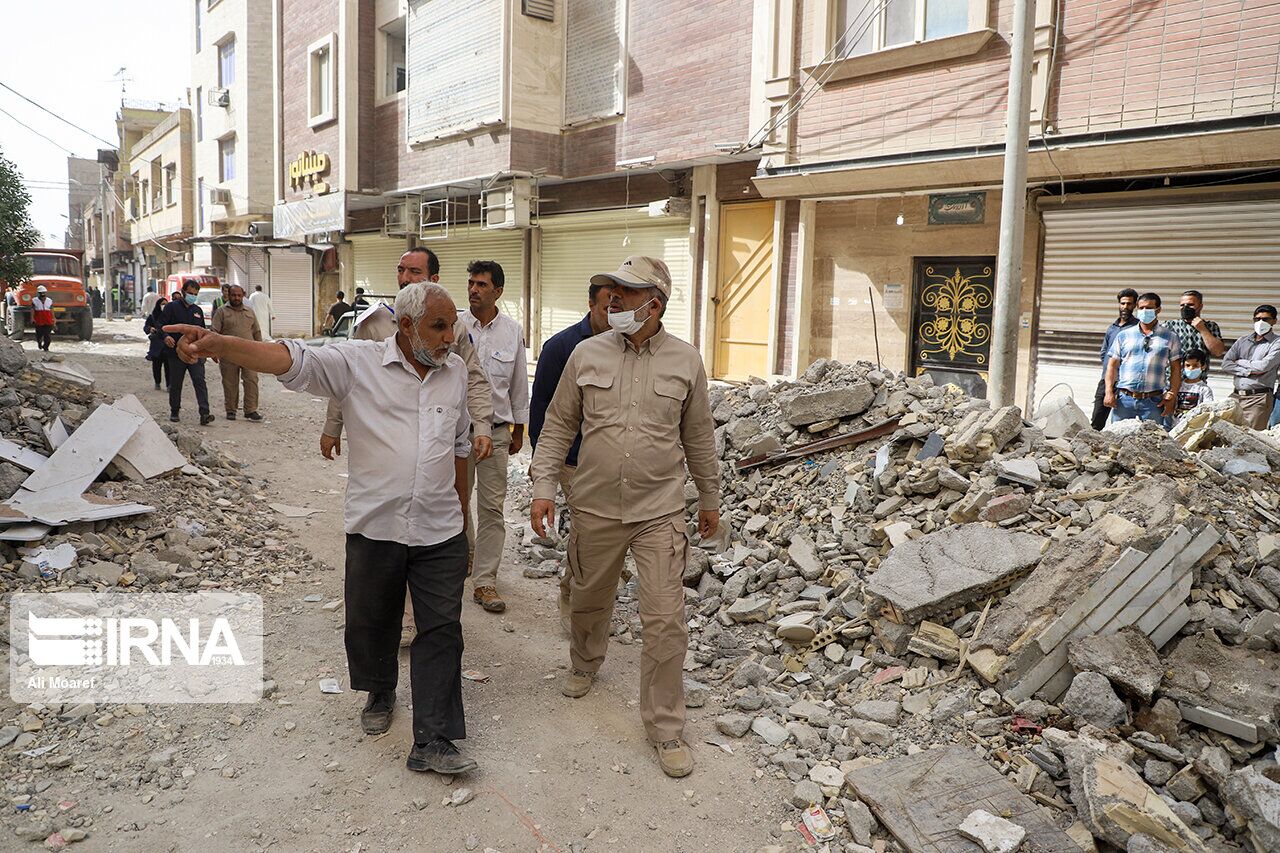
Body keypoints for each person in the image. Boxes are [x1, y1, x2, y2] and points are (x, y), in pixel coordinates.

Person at [164, 282, 479, 775]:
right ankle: (379, 689)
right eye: (439, 327)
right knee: (372, 619)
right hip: (376, 525)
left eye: (451, 326)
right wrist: (221, 345)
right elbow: (291, 359)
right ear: (405, 326)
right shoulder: (357, 363)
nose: (449, 337)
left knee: (442, 630)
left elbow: (460, 446)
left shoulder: (454, 372)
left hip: (440, 529)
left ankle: (434, 738)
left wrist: (463, 520)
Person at [529, 256, 720, 779]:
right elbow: (557, 425)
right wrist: (544, 486)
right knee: (590, 597)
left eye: (626, 292)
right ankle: (585, 662)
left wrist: (709, 497)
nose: (613, 298)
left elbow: (699, 437)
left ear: (654, 302)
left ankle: (664, 726)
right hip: (592, 505)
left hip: (659, 511)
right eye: (610, 289)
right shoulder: (585, 354)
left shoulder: (686, 361)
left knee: (664, 619)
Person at [318, 246, 495, 647]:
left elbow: (473, 379)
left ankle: (418, 621)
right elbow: (341, 378)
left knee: (430, 540)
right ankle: (385, 629)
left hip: (435, 448)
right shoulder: (374, 322)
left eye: (414, 271)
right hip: (384, 464)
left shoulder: (449, 325)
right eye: (400, 269)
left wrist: (481, 425)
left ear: (432, 276)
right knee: (385, 545)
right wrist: (333, 428)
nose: (404, 276)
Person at [529, 279, 614, 631]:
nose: (616, 313)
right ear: (591, 304)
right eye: (609, 305)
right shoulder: (561, 347)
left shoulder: (627, 348)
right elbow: (543, 413)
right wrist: (544, 472)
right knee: (589, 535)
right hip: (573, 462)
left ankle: (585, 591)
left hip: (614, 464)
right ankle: (575, 601)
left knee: (605, 539)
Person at [460, 260, 529, 614]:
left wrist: (520, 428)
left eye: (482, 285)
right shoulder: (454, 325)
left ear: (498, 291)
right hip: (457, 435)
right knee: (456, 505)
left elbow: (518, 384)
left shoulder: (512, 331)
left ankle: (485, 581)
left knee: (491, 509)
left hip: (497, 435)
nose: (473, 289)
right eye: (471, 283)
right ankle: (466, 556)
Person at [1104, 292, 1182, 427]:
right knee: (1117, 441)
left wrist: (1172, 394)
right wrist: (1108, 392)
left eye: (1149, 308)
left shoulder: (1170, 337)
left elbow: (1176, 368)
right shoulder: (1124, 335)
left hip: (1153, 401)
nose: (1144, 311)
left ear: (1158, 310)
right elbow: (1112, 365)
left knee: (1152, 442)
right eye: (1141, 308)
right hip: (1124, 400)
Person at [159, 279, 215, 425]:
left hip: (195, 353)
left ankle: (205, 413)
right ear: (183, 292)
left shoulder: (197, 310)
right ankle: (175, 411)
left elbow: (202, 332)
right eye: (190, 293)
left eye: (195, 294)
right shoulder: (171, 307)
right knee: (176, 383)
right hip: (176, 353)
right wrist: (166, 336)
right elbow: (161, 325)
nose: (192, 296)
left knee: (199, 381)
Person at [1221, 304, 1280, 430]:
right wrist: (1247, 371)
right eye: (1257, 319)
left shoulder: (1276, 342)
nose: (1260, 322)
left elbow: (1263, 366)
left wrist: (1240, 361)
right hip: (1236, 396)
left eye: (1265, 319)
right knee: (1226, 435)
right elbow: (1226, 364)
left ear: (1274, 321)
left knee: (1252, 438)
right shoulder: (1242, 341)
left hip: (1258, 399)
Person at [211, 283, 264, 421]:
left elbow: (257, 332)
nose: (236, 297)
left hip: (249, 353)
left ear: (243, 295)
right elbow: (214, 332)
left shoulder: (250, 312)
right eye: (233, 295)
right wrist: (213, 352)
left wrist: (261, 350)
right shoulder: (221, 312)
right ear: (228, 295)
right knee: (230, 382)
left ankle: (251, 410)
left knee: (251, 380)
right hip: (228, 354)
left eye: (239, 295)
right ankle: (231, 410)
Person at [1090, 289, 1138, 430]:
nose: (1125, 307)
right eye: (1122, 303)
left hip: (1126, 383)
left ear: (1134, 305)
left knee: (1120, 424)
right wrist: (1110, 369)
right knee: (1097, 420)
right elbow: (1104, 352)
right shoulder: (1112, 328)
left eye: (1129, 304)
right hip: (1107, 381)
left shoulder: (1137, 327)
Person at [1164, 289, 1225, 367]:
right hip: (1173, 377)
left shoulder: (1211, 326)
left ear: (1200, 306)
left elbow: (1218, 352)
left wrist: (1203, 330)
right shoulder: (1170, 325)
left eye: (1190, 304)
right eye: (1182, 305)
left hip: (1198, 377)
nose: (1185, 308)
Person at [1173, 349, 1214, 420]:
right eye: (1188, 365)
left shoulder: (1204, 390)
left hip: (1194, 428)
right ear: (1183, 366)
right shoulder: (1177, 386)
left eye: (1195, 365)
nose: (1191, 368)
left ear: (1203, 366)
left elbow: (1208, 409)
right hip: (1174, 427)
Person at [144, 295, 170, 390]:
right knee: (156, 367)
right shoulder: (153, 317)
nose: (164, 306)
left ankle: (169, 385)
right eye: (162, 304)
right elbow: (146, 327)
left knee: (169, 368)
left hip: (167, 345)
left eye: (166, 304)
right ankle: (157, 382)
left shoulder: (170, 316)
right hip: (156, 345)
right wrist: (150, 328)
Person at [31, 285, 55, 351]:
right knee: (39, 334)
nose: (43, 295)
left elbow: (52, 310)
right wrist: (32, 318)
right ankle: (39, 342)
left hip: (48, 319)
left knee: (47, 335)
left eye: (44, 293)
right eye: (41, 293)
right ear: (38, 293)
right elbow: (32, 309)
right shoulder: (34, 300)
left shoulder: (49, 300)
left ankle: (46, 347)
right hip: (39, 320)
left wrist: (54, 318)